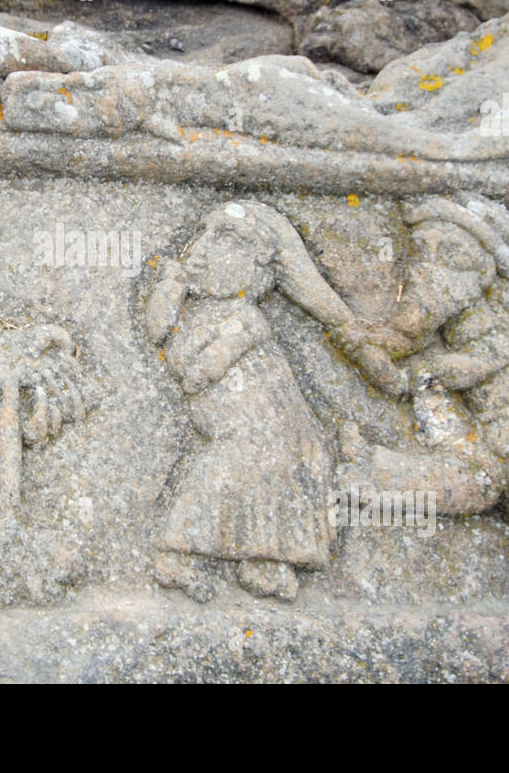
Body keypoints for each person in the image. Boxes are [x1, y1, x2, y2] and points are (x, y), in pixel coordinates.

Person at [342, 193, 509, 602]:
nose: (430, 262)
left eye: (449, 253)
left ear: (482, 265)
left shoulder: (502, 324)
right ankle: (375, 471)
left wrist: (430, 368)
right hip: (490, 430)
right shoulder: (459, 306)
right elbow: (406, 340)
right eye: (424, 250)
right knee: (471, 478)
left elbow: (481, 362)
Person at [144, 200, 365, 600]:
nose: (202, 248)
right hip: (237, 431)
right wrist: (171, 286)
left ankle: (266, 561)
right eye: (204, 235)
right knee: (224, 472)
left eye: (224, 239)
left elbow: (215, 360)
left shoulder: (245, 316)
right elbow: (159, 330)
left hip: (270, 424)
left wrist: (203, 369)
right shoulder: (196, 312)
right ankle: (179, 555)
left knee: (284, 472)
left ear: (257, 264)